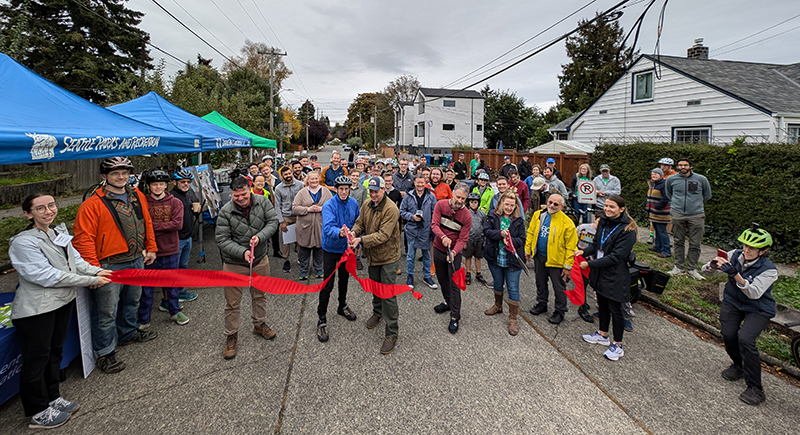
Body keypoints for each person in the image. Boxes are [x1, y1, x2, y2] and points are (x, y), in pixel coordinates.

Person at [10, 194, 111, 429]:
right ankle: (37, 411)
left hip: (62, 303)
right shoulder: (23, 242)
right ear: (28, 213)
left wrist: (98, 271)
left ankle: (53, 397)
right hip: (36, 310)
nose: (48, 211)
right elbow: (46, 275)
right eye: (40, 208)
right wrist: (88, 279)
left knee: (55, 352)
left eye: (52, 206)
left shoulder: (58, 234)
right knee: (37, 359)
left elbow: (75, 261)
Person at [73, 156, 158, 374]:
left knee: (132, 300)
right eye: (115, 173)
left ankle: (128, 334)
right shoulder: (92, 204)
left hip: (137, 258)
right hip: (109, 264)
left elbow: (146, 221)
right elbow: (84, 239)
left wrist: (151, 247)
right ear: (104, 177)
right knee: (106, 312)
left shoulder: (137, 195)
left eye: (125, 173)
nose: (121, 177)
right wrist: (94, 271)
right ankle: (104, 352)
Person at [702, 226, 777, 406]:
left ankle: (755, 388)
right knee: (728, 334)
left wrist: (736, 275)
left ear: (763, 251)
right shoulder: (734, 254)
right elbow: (706, 270)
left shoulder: (770, 270)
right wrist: (711, 267)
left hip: (758, 307)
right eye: (745, 245)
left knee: (745, 339)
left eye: (752, 248)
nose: (746, 250)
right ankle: (738, 365)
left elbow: (754, 293)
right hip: (733, 301)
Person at [216, 176, 279, 360]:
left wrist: (260, 236)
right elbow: (221, 239)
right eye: (236, 196)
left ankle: (259, 325)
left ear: (249, 189)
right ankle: (231, 335)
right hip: (234, 264)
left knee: (260, 295)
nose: (241, 199)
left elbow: (273, 222)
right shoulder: (225, 212)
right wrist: (242, 252)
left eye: (244, 194)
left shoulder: (263, 202)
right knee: (232, 303)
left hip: (260, 260)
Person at [578, 195, 637, 362]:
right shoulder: (604, 222)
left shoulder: (628, 230)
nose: (608, 209)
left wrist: (590, 264)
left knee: (615, 309)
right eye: (606, 206)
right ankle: (603, 334)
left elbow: (616, 257)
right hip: (601, 271)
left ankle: (618, 344)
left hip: (615, 274)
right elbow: (597, 245)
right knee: (602, 303)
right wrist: (584, 252)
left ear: (621, 209)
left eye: (612, 207)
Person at [350, 176, 402, 355]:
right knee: (375, 286)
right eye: (370, 191)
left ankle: (392, 333)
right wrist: (353, 232)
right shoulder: (366, 204)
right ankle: (377, 312)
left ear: (383, 190)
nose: (373, 194)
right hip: (372, 255)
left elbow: (383, 235)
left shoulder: (391, 209)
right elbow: (360, 222)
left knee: (387, 293)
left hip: (388, 256)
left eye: (376, 191)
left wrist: (361, 240)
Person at [139, 170, 188, 327]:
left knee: (171, 283)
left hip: (171, 248)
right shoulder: (143, 202)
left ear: (166, 185)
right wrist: (161, 227)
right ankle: (144, 318)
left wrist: (151, 226)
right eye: (154, 184)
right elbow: (140, 226)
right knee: (147, 286)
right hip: (149, 250)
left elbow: (177, 224)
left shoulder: (175, 202)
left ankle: (175, 311)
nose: (158, 187)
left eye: (161, 184)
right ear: (148, 186)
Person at [316, 176, 361, 342]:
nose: (343, 192)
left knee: (344, 279)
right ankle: (321, 317)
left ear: (350, 189)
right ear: (336, 189)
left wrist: (357, 238)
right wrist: (340, 233)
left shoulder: (354, 203)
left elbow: (358, 222)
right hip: (330, 248)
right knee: (327, 284)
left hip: (346, 249)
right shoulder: (328, 205)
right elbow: (328, 228)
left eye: (346, 188)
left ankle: (342, 305)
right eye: (340, 189)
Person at [525, 193, 578, 325]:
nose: (552, 206)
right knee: (540, 282)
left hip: (557, 261)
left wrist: (567, 266)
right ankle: (542, 303)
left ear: (562, 206)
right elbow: (531, 232)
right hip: (540, 257)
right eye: (550, 202)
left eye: (556, 204)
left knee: (559, 288)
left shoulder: (567, 223)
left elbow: (571, 247)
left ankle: (560, 311)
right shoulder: (538, 215)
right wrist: (528, 249)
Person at [431, 183, 472, 333]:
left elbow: (463, 239)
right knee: (442, 279)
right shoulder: (441, 205)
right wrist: (442, 236)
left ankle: (455, 316)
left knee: (455, 285)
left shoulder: (466, 215)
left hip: (454, 253)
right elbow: (434, 224)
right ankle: (448, 302)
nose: (460, 200)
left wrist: (454, 252)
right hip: (439, 249)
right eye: (458, 197)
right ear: (453, 194)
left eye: (463, 198)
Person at [484, 191, 527, 335]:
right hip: (496, 257)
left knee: (513, 288)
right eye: (506, 204)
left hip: (513, 260)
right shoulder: (492, 215)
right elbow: (487, 231)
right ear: (501, 203)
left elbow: (522, 239)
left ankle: (513, 318)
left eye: (512, 205)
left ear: (516, 206)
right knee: (497, 283)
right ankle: (498, 305)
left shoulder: (519, 220)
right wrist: (500, 234)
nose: (509, 207)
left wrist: (511, 240)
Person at [666, 158, 712, 280]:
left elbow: (707, 195)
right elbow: (668, 194)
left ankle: (692, 269)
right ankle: (678, 267)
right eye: (680, 165)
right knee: (678, 241)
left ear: (690, 167)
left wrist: (695, 204)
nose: (683, 167)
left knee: (695, 243)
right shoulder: (671, 179)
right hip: (678, 214)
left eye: (685, 165)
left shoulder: (701, 179)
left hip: (696, 214)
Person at [399, 174, 438, 289]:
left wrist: (433, 229)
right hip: (412, 230)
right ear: (414, 183)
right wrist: (412, 217)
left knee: (426, 255)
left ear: (425, 182)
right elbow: (402, 211)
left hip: (426, 230)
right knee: (411, 255)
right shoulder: (408, 196)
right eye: (418, 182)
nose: (420, 185)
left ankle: (427, 276)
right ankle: (410, 276)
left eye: (422, 182)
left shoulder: (431, 196)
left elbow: (435, 214)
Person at [292, 171, 332, 280]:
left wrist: (322, 208)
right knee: (304, 249)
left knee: (319, 249)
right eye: (311, 179)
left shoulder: (326, 192)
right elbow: (295, 208)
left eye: (316, 178)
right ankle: (303, 271)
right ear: (307, 180)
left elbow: (332, 207)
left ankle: (319, 269)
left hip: (320, 225)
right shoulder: (301, 193)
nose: (314, 181)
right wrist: (308, 209)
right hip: (304, 227)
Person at [171, 169, 200, 304]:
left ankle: (180, 291)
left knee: (183, 266)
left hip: (188, 237)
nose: (185, 184)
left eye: (188, 182)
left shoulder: (187, 195)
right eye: (182, 182)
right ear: (174, 182)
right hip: (177, 239)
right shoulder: (171, 197)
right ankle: (172, 297)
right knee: (175, 268)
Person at [274, 166, 304, 273]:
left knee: (300, 238)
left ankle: (301, 258)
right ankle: (286, 260)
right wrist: (281, 221)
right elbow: (277, 206)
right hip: (286, 216)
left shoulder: (301, 185)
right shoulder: (278, 188)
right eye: (285, 174)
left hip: (298, 215)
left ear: (292, 173)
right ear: (282, 176)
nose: (288, 176)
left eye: (289, 173)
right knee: (286, 241)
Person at [463, 192, 488, 286]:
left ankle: (478, 273)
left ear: (479, 203)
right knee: (468, 257)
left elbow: (485, 227)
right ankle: (468, 273)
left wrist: (485, 240)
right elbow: (462, 228)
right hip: (469, 239)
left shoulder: (482, 214)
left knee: (478, 257)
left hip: (479, 239)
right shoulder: (465, 213)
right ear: (468, 202)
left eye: (475, 202)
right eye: (471, 202)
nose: (473, 204)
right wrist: (463, 241)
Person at [646, 168, 671, 258]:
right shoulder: (653, 184)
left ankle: (666, 250)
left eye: (656, 174)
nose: (654, 176)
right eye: (652, 174)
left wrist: (658, 206)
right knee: (657, 229)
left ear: (660, 175)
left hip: (662, 213)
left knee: (662, 231)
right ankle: (658, 247)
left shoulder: (664, 184)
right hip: (654, 213)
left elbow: (667, 197)